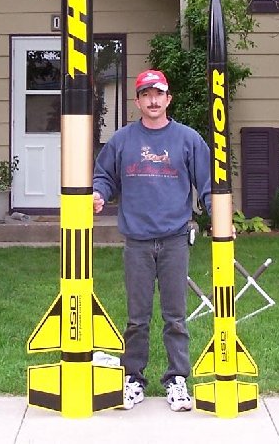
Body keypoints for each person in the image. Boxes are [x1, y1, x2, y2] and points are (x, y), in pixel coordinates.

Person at [93, 69, 211, 412]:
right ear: (138, 101)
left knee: (176, 317)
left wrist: (220, 216)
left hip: (175, 239)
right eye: (146, 95)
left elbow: (208, 183)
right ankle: (133, 378)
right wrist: (99, 194)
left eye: (159, 94)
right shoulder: (122, 140)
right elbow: (104, 176)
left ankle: (177, 380)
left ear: (168, 99)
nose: (153, 100)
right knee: (137, 317)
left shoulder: (188, 139)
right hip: (137, 241)